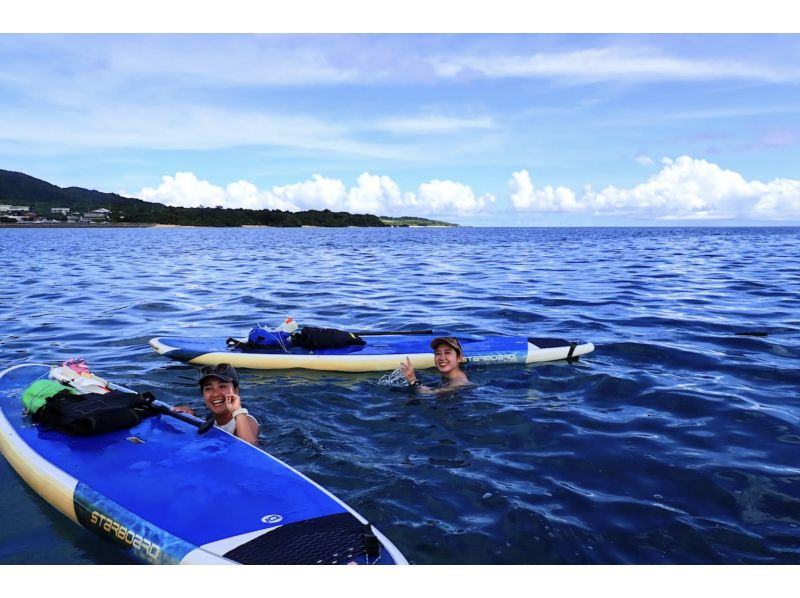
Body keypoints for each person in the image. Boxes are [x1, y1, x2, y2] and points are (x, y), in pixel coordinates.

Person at [173, 363, 260, 445]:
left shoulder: (247, 420)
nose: (215, 394)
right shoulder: (209, 417)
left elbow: (251, 447)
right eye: (208, 388)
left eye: (222, 386)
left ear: (236, 391)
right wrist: (189, 416)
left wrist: (238, 411)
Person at [399, 336, 471, 395]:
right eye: (438, 353)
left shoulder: (459, 383)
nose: (442, 358)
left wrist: (413, 381)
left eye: (447, 353)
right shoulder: (455, 375)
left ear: (459, 358)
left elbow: (432, 393)